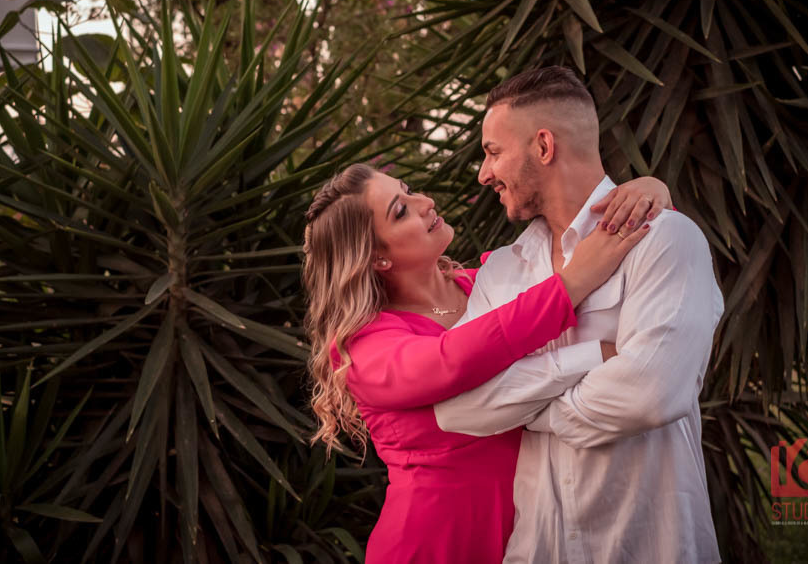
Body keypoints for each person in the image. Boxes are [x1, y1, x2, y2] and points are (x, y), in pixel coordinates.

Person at [302, 162, 672, 563]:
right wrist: (573, 293)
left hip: (533, 534)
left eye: (409, 190)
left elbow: (587, 257)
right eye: (401, 211)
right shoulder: (363, 349)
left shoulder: (488, 283)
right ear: (378, 258)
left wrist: (648, 192)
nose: (425, 202)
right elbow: (452, 359)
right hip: (434, 546)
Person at [434, 66, 724, 563]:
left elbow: (649, 395)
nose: (483, 173)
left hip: (650, 546)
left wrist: (528, 412)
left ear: (544, 146)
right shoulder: (502, 270)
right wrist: (595, 359)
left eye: (493, 152)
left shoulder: (665, 241)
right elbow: (457, 406)